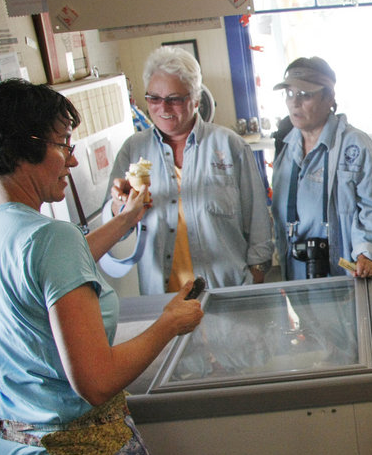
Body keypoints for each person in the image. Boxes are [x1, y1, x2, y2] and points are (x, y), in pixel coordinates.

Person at [0, 79, 204, 455]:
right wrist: (170, 322)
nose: (71, 158)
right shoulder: (51, 238)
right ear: (23, 146)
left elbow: (49, 273)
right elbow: (96, 381)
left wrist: (125, 220)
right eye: (61, 145)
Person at [104, 46, 274, 294]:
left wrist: (255, 276)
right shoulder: (134, 149)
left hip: (226, 292)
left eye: (174, 99)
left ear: (195, 99)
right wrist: (120, 206)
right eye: (154, 98)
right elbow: (115, 230)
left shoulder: (229, 146)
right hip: (164, 301)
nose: (163, 108)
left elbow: (258, 220)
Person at [271, 56, 372, 280]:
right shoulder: (286, 149)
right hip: (297, 273)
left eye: (305, 95)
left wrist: (367, 253)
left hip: (345, 273)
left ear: (329, 97)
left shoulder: (356, 146)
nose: (295, 103)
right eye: (290, 93)